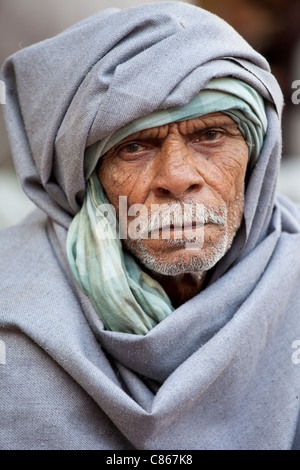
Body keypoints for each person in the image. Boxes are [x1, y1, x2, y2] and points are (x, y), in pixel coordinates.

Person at [0, 1, 300, 451]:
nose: (178, 178)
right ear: (83, 179)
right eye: (135, 146)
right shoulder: (13, 314)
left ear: (257, 159)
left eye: (211, 135)